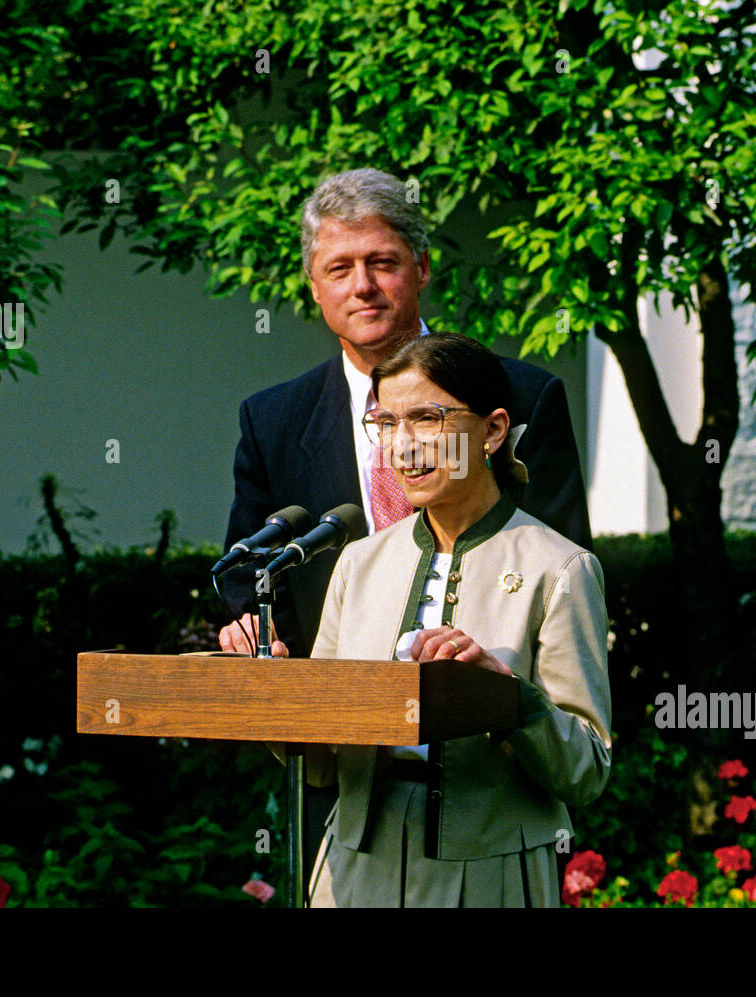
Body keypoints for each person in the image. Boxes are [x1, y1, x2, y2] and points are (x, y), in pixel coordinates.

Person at [278, 332, 612, 907]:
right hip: (352, 869)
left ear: (493, 429)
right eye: (386, 424)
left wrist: (508, 697)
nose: (403, 447)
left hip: (489, 871)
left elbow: (585, 770)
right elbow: (321, 766)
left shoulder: (559, 567)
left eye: (427, 419)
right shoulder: (357, 562)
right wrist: (277, 695)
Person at [219, 168, 591, 661]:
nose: (363, 286)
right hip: (339, 713)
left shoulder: (523, 395)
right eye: (338, 269)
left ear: (422, 268)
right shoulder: (272, 421)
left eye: (382, 263)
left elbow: (561, 567)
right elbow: (252, 577)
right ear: (313, 285)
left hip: (489, 698)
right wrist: (265, 644)